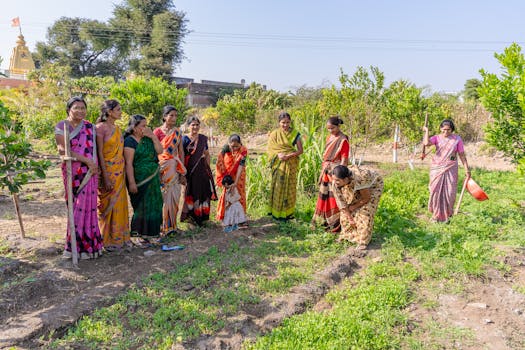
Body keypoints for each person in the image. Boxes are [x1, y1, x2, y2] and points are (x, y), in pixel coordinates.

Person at [55, 96, 103, 260]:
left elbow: (94, 150)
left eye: (83, 108)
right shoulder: (62, 126)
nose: (80, 111)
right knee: (75, 208)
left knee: (90, 208)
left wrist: (93, 165)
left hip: (91, 172)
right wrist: (86, 161)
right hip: (73, 172)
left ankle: (91, 247)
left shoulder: (90, 127)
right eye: (77, 107)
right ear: (69, 109)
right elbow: (63, 151)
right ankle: (73, 247)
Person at [95, 99, 130, 252]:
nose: (120, 112)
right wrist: (105, 176)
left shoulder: (117, 129)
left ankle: (119, 238)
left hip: (120, 171)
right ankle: (105, 239)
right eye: (118, 109)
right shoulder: (99, 129)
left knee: (120, 204)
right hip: (107, 172)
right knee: (106, 206)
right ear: (109, 112)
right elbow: (100, 155)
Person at [123, 114, 163, 240]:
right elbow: (129, 163)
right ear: (134, 128)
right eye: (143, 126)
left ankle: (153, 233)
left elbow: (160, 151)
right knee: (141, 206)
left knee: (155, 204)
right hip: (139, 179)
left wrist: (153, 136)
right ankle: (139, 234)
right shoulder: (129, 141)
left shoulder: (148, 139)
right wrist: (132, 182)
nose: (146, 128)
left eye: (147, 126)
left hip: (153, 179)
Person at [423, 119, 470, 223]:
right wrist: (426, 131)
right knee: (435, 191)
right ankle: (435, 216)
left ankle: (447, 216)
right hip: (437, 168)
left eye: (448, 130)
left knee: (449, 192)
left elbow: (461, 155)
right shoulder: (436, 138)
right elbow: (426, 143)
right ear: (440, 129)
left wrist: (467, 169)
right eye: (444, 130)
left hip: (451, 168)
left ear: (452, 129)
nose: (446, 132)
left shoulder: (457, 139)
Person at [332, 165, 384, 250]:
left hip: (373, 185)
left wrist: (354, 206)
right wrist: (349, 217)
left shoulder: (359, 179)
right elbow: (341, 203)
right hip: (357, 185)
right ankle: (347, 236)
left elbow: (366, 198)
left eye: (337, 180)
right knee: (345, 212)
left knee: (365, 212)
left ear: (345, 179)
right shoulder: (336, 182)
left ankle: (363, 241)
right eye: (334, 179)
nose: (334, 182)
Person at [312, 116, 349, 231]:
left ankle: (335, 225)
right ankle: (322, 221)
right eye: (328, 128)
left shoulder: (343, 140)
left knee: (334, 198)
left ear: (338, 126)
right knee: (325, 196)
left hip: (335, 173)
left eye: (332, 128)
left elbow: (344, 159)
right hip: (326, 171)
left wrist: (340, 175)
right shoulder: (330, 137)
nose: (330, 131)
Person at [153, 105, 187, 235]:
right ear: (164, 117)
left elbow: (181, 152)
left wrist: (182, 171)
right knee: (162, 198)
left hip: (174, 169)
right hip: (161, 170)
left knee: (174, 196)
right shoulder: (157, 132)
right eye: (171, 115)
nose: (173, 118)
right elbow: (154, 152)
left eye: (175, 115)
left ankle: (172, 226)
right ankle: (162, 227)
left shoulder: (177, 132)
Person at [180, 116, 217, 226]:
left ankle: (203, 217)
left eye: (197, 124)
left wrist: (207, 169)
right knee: (191, 193)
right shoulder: (184, 139)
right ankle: (191, 218)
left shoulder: (203, 139)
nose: (195, 127)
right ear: (188, 126)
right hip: (190, 171)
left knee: (204, 192)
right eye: (193, 125)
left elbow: (206, 154)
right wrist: (182, 172)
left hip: (202, 170)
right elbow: (182, 156)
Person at [267, 111, 303, 220]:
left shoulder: (295, 134)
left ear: (290, 122)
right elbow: (270, 149)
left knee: (290, 188)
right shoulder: (274, 134)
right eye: (283, 122)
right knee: (278, 186)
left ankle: (288, 213)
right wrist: (278, 155)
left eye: (288, 122)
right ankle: (276, 213)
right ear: (279, 122)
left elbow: (300, 150)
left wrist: (289, 155)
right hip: (279, 165)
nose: (285, 125)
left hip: (291, 164)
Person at [216, 134, 248, 226]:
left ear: (240, 144)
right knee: (227, 195)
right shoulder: (225, 149)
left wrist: (236, 182)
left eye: (236, 146)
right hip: (227, 176)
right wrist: (225, 180)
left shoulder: (243, 150)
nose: (234, 148)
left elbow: (241, 166)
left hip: (239, 175)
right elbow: (220, 162)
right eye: (232, 146)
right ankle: (225, 217)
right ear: (228, 144)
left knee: (239, 194)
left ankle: (240, 218)